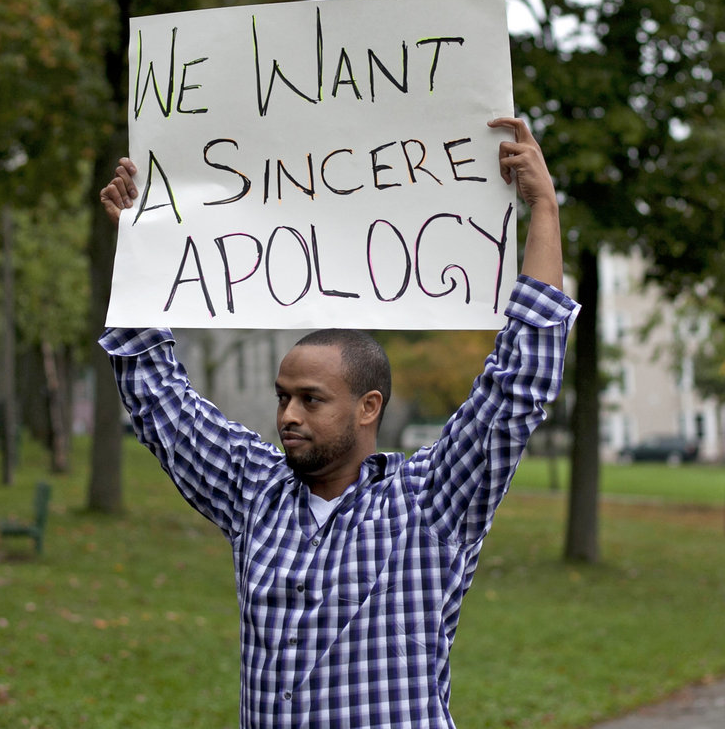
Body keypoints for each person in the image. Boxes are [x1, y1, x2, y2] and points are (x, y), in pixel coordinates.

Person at [98, 117, 579, 729]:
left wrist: (543, 209)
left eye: (311, 399)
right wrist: (136, 247)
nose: (288, 415)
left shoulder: (429, 500)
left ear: (368, 407)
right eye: (282, 398)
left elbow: (519, 380)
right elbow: (158, 400)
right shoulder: (255, 491)